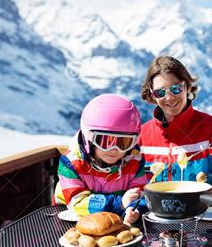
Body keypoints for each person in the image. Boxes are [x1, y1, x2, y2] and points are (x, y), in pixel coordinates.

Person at [139, 56, 212, 197]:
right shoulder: (142, 136)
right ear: (152, 94)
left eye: (176, 88)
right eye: (160, 92)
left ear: (187, 86)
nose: (169, 97)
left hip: (206, 215)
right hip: (155, 216)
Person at [54, 94, 147, 225]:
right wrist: (119, 203)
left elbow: (140, 194)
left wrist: (133, 210)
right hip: (71, 220)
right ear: (89, 139)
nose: (114, 149)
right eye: (105, 141)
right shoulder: (71, 164)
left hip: (115, 222)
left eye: (124, 142)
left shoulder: (134, 161)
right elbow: (77, 202)